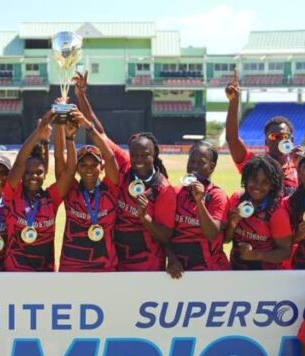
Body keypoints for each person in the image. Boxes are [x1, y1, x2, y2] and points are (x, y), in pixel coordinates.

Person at [72, 70, 177, 272]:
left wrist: (144, 217)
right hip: (116, 260)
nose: (138, 160)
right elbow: (100, 133)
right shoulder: (126, 164)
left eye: (144, 155)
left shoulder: (164, 189)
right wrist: (81, 96)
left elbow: (165, 235)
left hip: (146, 265)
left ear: (153, 155)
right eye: (135, 154)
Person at [3, 112, 74, 272]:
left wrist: (65, 132)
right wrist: (39, 132)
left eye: (38, 173)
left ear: (45, 173)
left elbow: (69, 171)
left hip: (45, 274)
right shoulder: (12, 194)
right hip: (15, 272)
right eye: (28, 172)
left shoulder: (51, 198)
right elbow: (20, 161)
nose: (33, 177)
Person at [57, 110, 120, 272]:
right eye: (83, 165)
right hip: (72, 268)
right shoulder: (70, 189)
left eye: (94, 165)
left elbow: (111, 157)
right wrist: (69, 137)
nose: (89, 169)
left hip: (104, 268)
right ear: (77, 168)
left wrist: (88, 126)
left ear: (102, 167)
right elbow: (60, 160)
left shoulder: (111, 188)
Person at [224, 70, 300, 192]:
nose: (280, 140)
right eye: (274, 136)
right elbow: (232, 140)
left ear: (292, 140)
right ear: (266, 142)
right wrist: (234, 102)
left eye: (284, 136)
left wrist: (300, 166)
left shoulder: (300, 166)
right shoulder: (255, 164)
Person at [164, 141, 229, 277]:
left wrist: (200, 201)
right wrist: (171, 258)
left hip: (212, 272)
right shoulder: (176, 193)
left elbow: (212, 234)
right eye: (192, 161)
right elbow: (164, 234)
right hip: (181, 272)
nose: (194, 167)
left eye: (201, 163)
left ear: (212, 167)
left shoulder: (217, 196)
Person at [224, 154, 293, 270]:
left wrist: (256, 255)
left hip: (267, 277)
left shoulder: (277, 213)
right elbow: (226, 240)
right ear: (246, 179)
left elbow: (285, 252)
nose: (258, 186)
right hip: (236, 272)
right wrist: (232, 225)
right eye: (254, 180)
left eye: (265, 182)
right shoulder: (236, 199)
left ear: (272, 185)